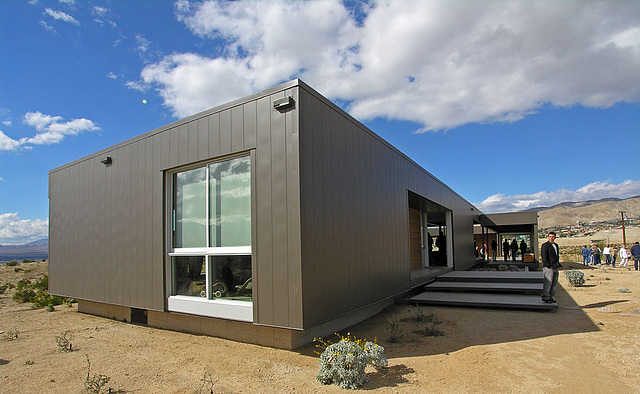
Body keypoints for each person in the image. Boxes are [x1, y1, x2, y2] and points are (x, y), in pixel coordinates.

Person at [541, 231, 560, 303]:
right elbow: (544, 256)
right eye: (550, 237)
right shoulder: (545, 245)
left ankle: (551, 296)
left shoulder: (556, 245)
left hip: (555, 266)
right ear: (548, 237)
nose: (551, 238)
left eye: (553, 237)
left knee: (554, 283)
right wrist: (547, 265)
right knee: (548, 282)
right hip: (549, 267)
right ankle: (546, 297)